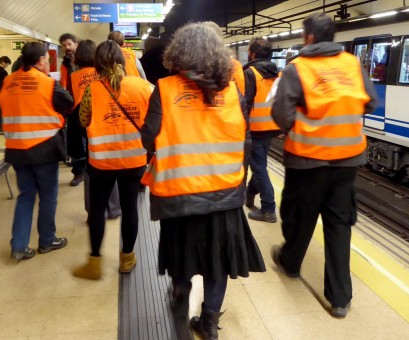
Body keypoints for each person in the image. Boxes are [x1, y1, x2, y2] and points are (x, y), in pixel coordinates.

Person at [140, 22, 265, 340]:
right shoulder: (232, 92)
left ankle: (180, 295)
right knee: (217, 260)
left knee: (183, 251)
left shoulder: (165, 89)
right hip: (223, 192)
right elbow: (245, 143)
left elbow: (149, 138)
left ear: (178, 53)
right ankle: (209, 323)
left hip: (179, 192)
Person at [271, 13, 378, 318]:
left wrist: (307, 122)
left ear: (308, 38)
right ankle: (340, 298)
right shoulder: (353, 64)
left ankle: (291, 263)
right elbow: (370, 102)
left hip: (308, 159)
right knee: (338, 223)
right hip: (347, 159)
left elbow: (281, 115)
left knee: (300, 216)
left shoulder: (298, 68)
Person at [73, 40, 153, 280]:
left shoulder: (92, 89)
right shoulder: (144, 87)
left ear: (97, 64)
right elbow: (153, 121)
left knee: (97, 211)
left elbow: (84, 120)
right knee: (130, 209)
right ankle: (127, 259)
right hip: (134, 160)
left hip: (101, 163)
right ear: (122, 59)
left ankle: (94, 263)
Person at [0, 42, 73, 261]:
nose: (48, 63)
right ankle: (47, 240)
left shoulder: (8, 81)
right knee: (48, 197)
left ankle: (19, 246)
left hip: (17, 149)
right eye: (47, 60)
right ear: (41, 60)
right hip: (44, 149)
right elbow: (67, 102)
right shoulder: (47, 83)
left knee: (25, 197)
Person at [71, 40, 122, 221]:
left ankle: (93, 212)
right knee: (113, 168)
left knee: (90, 171)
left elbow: (77, 110)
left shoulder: (75, 77)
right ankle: (114, 209)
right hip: (112, 127)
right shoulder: (107, 76)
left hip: (89, 130)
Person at [243, 38, 281, 223]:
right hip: (272, 126)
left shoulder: (251, 73)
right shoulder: (277, 72)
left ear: (253, 53)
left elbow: (246, 103)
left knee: (258, 167)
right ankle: (250, 193)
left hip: (255, 127)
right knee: (260, 164)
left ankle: (268, 209)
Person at [59, 33, 86, 186]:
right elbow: (64, 86)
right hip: (73, 108)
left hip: (88, 106)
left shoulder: (87, 61)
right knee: (75, 141)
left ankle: (88, 167)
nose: (66, 48)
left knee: (86, 140)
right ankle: (78, 172)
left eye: (69, 44)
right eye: (63, 45)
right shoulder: (65, 65)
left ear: (76, 44)